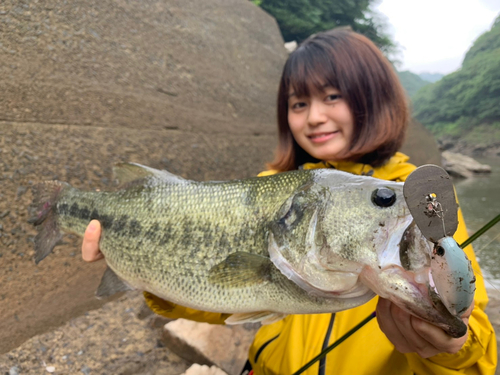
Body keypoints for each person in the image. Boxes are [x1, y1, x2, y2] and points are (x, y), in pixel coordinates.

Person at [81, 29, 497, 374]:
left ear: (376, 99)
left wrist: (450, 346)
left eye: (332, 96)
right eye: (299, 104)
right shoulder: (271, 188)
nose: (313, 116)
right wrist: (147, 272)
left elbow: (475, 335)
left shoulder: (419, 200)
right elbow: (229, 297)